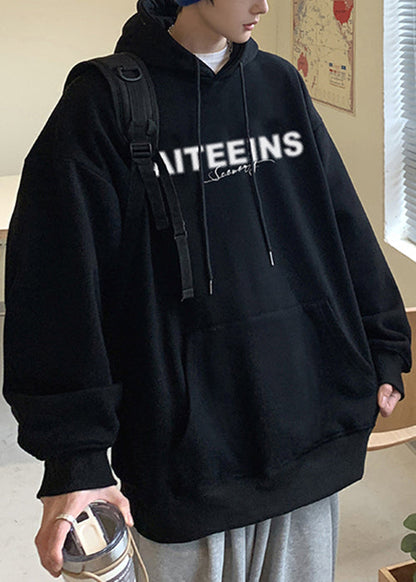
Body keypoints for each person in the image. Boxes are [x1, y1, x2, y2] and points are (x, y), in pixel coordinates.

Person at [3, 0, 412, 580]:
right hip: (185, 463)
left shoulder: (278, 84)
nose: (263, 5)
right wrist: (76, 457)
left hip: (306, 435)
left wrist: (382, 340)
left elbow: (338, 221)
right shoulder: (105, 100)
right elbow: (57, 284)